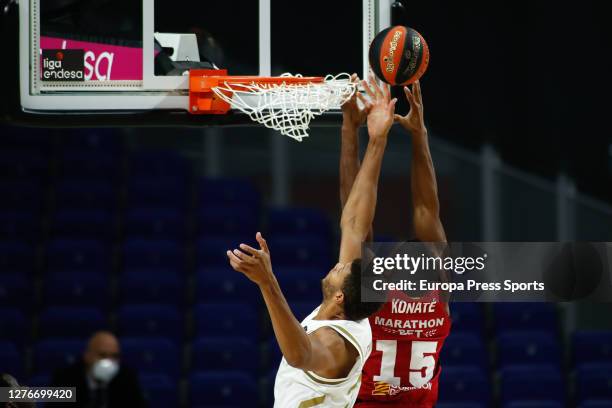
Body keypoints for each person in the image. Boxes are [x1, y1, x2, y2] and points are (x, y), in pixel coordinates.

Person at [226, 75, 396, 408]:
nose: (338, 262)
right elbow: (354, 220)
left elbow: (299, 354)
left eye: (342, 267)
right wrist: (366, 135)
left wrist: (267, 282)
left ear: (339, 295)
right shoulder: (345, 308)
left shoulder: (336, 342)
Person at [346, 81, 451, 407]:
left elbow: (354, 217)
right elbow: (426, 209)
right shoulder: (440, 297)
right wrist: (419, 135)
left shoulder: (371, 299)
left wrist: (352, 131)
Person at [51, 331, 147, 408]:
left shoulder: (126, 379)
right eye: (102, 355)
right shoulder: (65, 378)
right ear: (87, 356)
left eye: (114, 356)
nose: (109, 362)